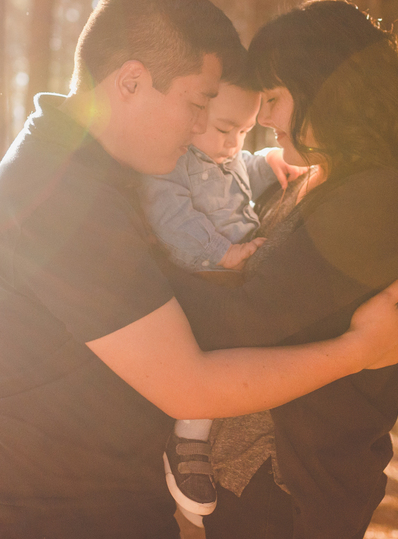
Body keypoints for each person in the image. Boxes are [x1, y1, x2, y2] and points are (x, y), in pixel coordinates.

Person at [0, 0, 398, 539]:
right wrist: (359, 349)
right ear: (131, 82)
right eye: (196, 103)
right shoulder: (60, 197)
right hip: (52, 521)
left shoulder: (99, 168)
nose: (199, 129)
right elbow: (189, 384)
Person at [165, 0, 398, 538]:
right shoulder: (324, 180)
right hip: (258, 484)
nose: (264, 117)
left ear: (330, 91)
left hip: (288, 492)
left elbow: (244, 313)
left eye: (274, 98)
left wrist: (124, 274)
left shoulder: (380, 198)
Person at [139, 76, 305, 522]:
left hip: (230, 273)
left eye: (245, 132)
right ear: (196, 117)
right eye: (225, 128)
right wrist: (223, 253)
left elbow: (239, 175)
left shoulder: (224, 154)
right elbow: (169, 213)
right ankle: (189, 438)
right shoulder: (176, 162)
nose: (234, 143)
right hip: (201, 275)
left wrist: (267, 159)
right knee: (212, 351)